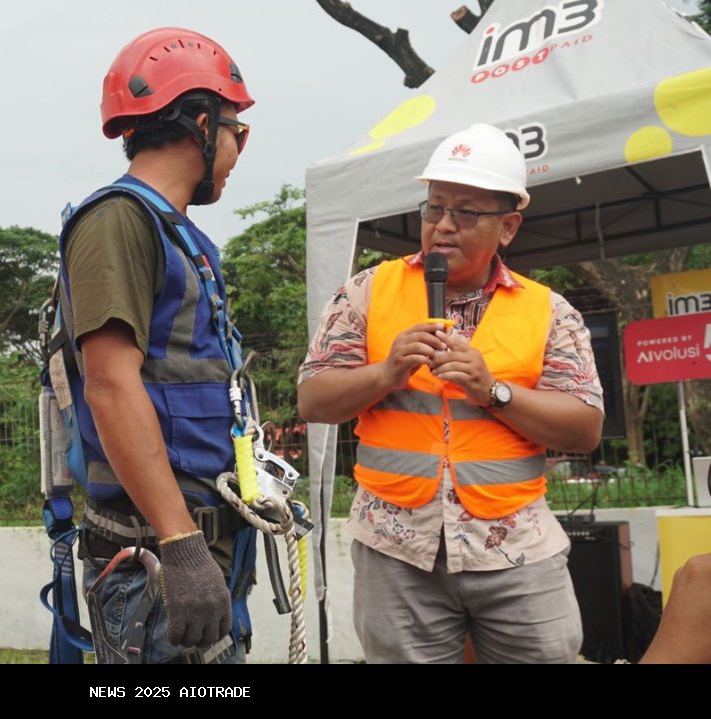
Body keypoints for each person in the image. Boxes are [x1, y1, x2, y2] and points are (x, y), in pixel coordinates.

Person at [298, 123, 605, 664]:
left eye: (466, 212)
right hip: (396, 550)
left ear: (508, 227)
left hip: (516, 551)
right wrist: (385, 373)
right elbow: (314, 398)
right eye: (433, 208)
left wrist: (494, 391)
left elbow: (584, 428)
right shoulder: (365, 292)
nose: (443, 226)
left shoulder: (550, 312)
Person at [57, 27, 256, 663]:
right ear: (202, 123)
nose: (238, 150)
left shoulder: (179, 235)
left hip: (201, 546)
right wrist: (180, 543)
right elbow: (111, 384)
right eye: (237, 132)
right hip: (157, 558)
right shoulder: (118, 220)